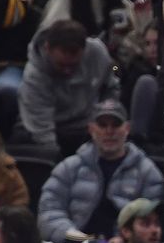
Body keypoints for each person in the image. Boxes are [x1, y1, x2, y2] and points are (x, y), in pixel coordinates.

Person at [38, 99, 164, 243]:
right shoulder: (68, 168)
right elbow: (48, 214)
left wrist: (124, 240)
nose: (109, 131)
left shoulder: (147, 172)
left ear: (127, 128)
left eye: (116, 125)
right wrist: (79, 239)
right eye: (102, 125)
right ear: (91, 129)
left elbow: (153, 220)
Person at [19, 20, 122, 156]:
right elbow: (41, 130)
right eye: (61, 65)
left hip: (88, 127)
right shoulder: (34, 76)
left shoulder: (98, 52)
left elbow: (111, 87)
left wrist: (104, 120)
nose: (67, 71)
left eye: (73, 65)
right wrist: (58, 161)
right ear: (47, 48)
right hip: (49, 129)